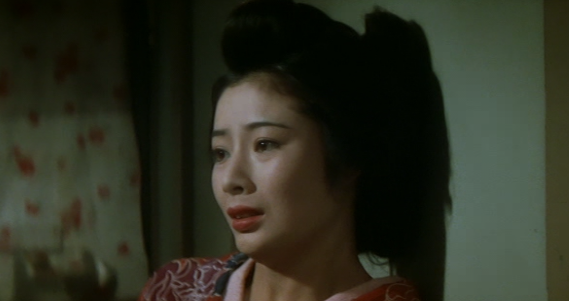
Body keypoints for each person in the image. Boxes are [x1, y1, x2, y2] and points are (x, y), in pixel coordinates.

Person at [139, 0, 451, 300]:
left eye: (264, 144)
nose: (230, 180)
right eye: (221, 153)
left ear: (349, 155)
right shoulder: (175, 288)